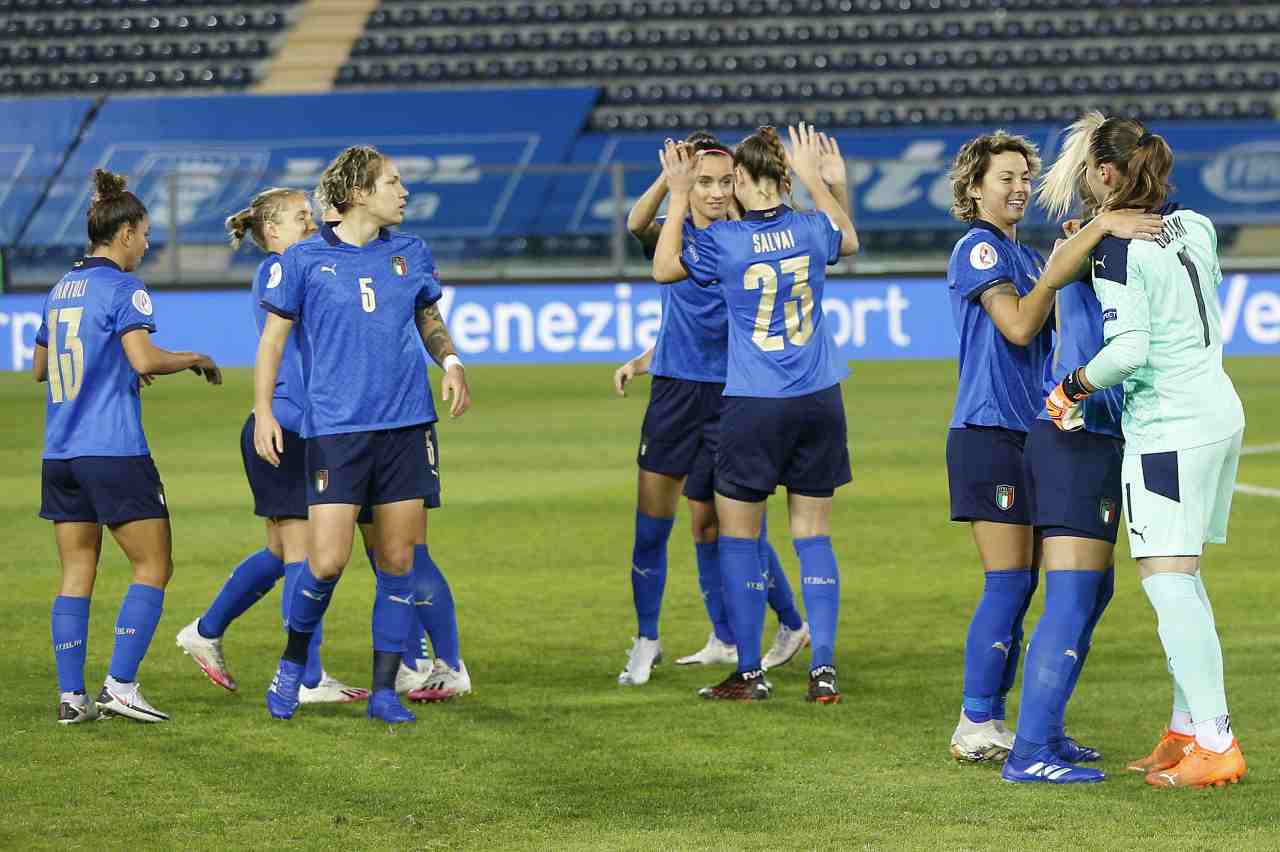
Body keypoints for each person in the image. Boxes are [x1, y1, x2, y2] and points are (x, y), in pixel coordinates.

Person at [943, 131, 1163, 763]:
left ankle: (1034, 723)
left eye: (1022, 177)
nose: (1016, 188)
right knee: (1009, 583)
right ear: (974, 187)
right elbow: (1017, 326)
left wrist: (1065, 256)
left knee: (1074, 587)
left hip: (1037, 428)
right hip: (990, 432)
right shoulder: (978, 249)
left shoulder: (1024, 252)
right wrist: (1076, 248)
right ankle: (976, 722)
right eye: (1003, 177)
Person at [1043, 117, 1248, 789]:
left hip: (1170, 429)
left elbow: (1130, 351)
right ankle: (1187, 732)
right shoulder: (1198, 226)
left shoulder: (1117, 253)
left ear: (1105, 176)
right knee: (1185, 579)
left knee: (1166, 581)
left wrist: (1070, 387)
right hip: (1217, 413)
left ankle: (1215, 741)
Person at [255, 145, 471, 724]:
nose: (404, 193)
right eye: (393, 183)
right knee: (326, 562)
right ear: (357, 195)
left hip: (405, 426)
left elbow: (428, 316)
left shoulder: (410, 251)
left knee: (398, 561)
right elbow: (273, 341)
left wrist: (449, 362)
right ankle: (292, 664)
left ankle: (383, 692)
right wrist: (265, 411)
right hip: (337, 430)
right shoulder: (303, 260)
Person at [652, 123, 858, 703]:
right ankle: (823, 670)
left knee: (739, 539)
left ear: (741, 180)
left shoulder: (726, 241)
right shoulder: (815, 227)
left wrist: (676, 195)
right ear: (786, 177)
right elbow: (850, 241)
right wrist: (824, 184)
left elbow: (664, 267)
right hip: (820, 399)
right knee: (813, 536)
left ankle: (749, 672)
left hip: (753, 403)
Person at [614, 130, 811, 685]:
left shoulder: (746, 243)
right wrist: (645, 359)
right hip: (676, 390)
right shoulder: (671, 235)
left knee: (727, 524)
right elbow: (635, 225)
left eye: (726, 181)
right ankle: (651, 639)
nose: (717, 191)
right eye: (704, 181)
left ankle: (786, 623)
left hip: (731, 394)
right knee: (653, 526)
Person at [38, 168, 221, 724]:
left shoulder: (59, 287)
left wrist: (109, 362)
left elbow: (42, 368)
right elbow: (144, 358)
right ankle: (120, 684)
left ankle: (73, 698)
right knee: (154, 565)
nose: (146, 244)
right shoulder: (125, 287)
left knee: (76, 572)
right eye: (144, 234)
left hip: (60, 452)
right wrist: (194, 358)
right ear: (123, 235)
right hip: (112, 449)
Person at [175, 187, 367, 704]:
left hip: (293, 425)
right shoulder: (281, 271)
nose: (312, 224)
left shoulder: (299, 268)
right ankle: (306, 677)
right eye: (301, 217)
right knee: (305, 556)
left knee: (282, 552)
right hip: (284, 427)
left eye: (310, 214)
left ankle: (206, 630)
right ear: (275, 233)